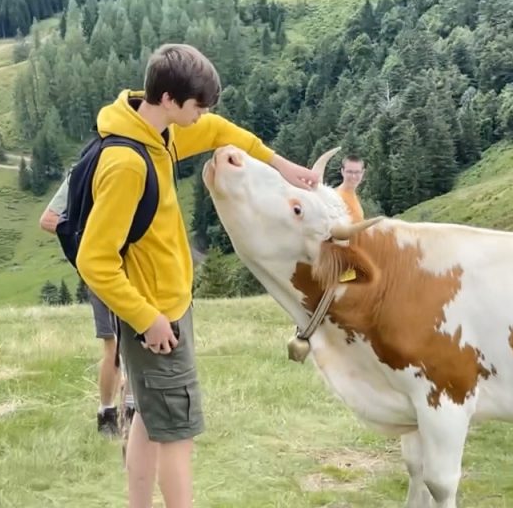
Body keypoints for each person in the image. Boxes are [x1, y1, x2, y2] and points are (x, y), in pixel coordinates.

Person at [75, 43, 319, 508]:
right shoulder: (127, 162)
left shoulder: (159, 132)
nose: (201, 115)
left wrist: (280, 165)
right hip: (157, 321)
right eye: (195, 105)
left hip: (164, 309)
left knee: (151, 420)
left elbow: (217, 130)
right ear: (169, 99)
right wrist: (147, 318)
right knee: (178, 436)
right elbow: (95, 260)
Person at [39, 176, 129, 438]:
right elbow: (48, 220)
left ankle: (129, 411)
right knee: (114, 344)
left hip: (133, 266)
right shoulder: (83, 172)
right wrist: (93, 238)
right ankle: (108, 413)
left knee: (132, 341)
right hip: (104, 270)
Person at [335, 154, 365, 222]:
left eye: (357, 172)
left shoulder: (352, 195)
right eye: (349, 172)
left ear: (362, 173)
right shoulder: (337, 198)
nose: (353, 176)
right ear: (342, 171)